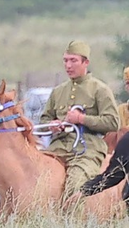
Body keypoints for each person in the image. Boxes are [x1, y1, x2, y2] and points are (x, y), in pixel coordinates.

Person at [40, 41, 120, 199]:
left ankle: (74, 223)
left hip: (87, 150)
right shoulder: (58, 91)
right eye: (65, 60)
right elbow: (43, 122)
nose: (68, 65)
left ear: (86, 62)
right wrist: (52, 126)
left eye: (73, 60)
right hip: (57, 148)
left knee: (75, 187)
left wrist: (81, 119)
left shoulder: (100, 89)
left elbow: (113, 123)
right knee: (36, 180)